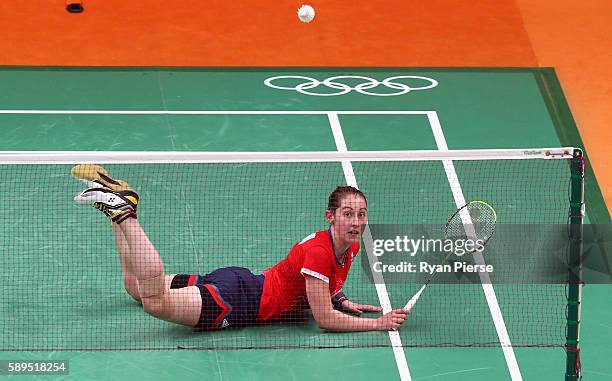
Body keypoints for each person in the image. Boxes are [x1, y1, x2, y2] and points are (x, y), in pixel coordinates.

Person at [72, 164, 408, 332]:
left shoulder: (346, 246)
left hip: (240, 281)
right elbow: (323, 319)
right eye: (348, 214)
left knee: (135, 287)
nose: (356, 221)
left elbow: (321, 289)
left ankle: (116, 210)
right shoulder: (321, 252)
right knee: (153, 301)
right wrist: (378, 323)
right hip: (238, 300)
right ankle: (126, 213)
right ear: (331, 217)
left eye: (361, 214)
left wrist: (342, 299)